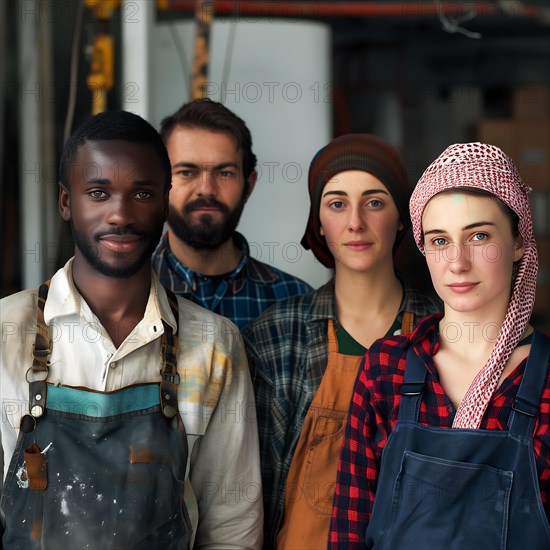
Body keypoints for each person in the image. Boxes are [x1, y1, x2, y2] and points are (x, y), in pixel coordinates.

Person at [0, 110, 263, 549]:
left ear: (164, 201)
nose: (120, 214)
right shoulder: (7, 332)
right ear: (67, 202)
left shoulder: (214, 345)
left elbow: (232, 528)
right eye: (99, 192)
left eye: (141, 193)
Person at [330, 142, 550, 549]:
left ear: (519, 243)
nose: (457, 262)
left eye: (479, 235)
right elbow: (348, 531)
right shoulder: (386, 369)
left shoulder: (546, 379)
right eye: (439, 241)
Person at [241, 134, 441, 549]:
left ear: (402, 219)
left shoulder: (441, 330)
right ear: (317, 222)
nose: (355, 222)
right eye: (336, 204)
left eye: (374, 202)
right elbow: (245, 489)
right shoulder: (277, 332)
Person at [151, 98, 311, 329]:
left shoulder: (297, 303)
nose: (206, 189)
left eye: (225, 173)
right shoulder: (121, 295)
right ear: (159, 183)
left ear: (249, 185)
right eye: (187, 172)